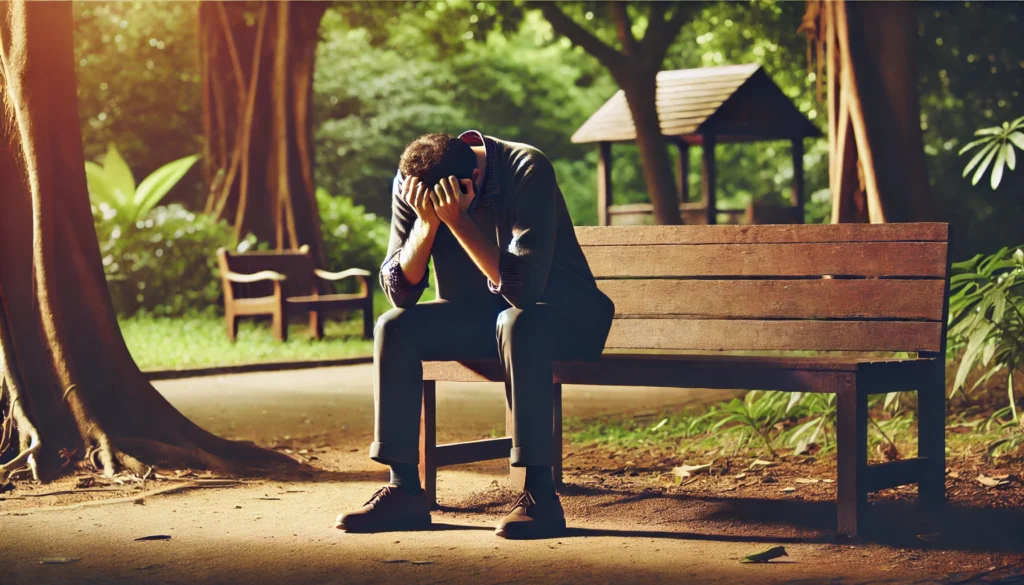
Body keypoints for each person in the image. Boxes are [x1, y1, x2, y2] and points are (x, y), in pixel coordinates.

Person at [336, 131, 614, 539]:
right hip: (486, 318)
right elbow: (399, 290)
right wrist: (427, 223)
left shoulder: (526, 168)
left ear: (473, 179)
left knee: (517, 321)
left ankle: (540, 496)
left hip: (567, 318)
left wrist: (459, 221)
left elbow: (523, 291)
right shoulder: (411, 183)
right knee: (394, 327)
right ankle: (404, 492)